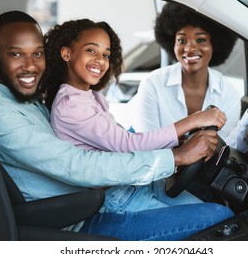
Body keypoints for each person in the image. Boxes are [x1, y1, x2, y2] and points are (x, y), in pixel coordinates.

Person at [0, 10, 234, 241]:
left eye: (37, 53)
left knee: (216, 206)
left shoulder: (27, 100)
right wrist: (176, 157)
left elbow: (111, 140)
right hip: (80, 220)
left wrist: (174, 149)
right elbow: (77, 164)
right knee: (220, 218)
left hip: (96, 200)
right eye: (16, 54)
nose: (30, 65)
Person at [43, 18, 227, 213]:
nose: (100, 60)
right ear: (66, 53)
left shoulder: (87, 96)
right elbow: (127, 145)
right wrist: (193, 120)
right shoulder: (71, 104)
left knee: (212, 209)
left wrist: (180, 141)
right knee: (217, 217)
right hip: (117, 198)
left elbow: (122, 142)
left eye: (106, 55)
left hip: (133, 184)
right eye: (91, 50)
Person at [132, 2, 248, 152]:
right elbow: (146, 146)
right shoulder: (152, 84)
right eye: (182, 41)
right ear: (172, 43)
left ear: (214, 44)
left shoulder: (227, 92)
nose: (189, 48)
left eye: (201, 40)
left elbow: (226, 147)